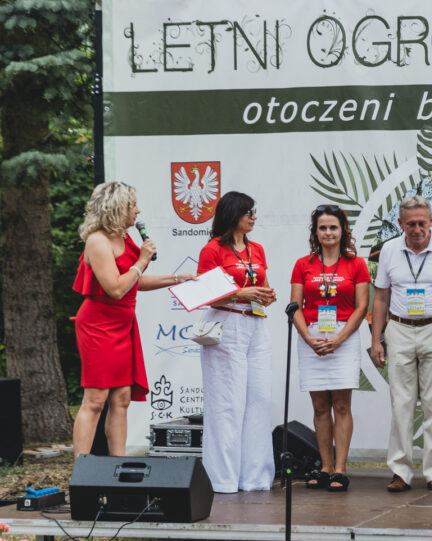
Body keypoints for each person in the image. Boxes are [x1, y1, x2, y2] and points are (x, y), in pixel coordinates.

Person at [71, 181, 195, 456]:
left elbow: (133, 282)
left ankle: (118, 467)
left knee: (122, 398)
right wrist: (142, 260)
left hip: (123, 324)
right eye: (132, 205)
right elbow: (115, 288)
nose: (138, 210)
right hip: (98, 325)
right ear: (117, 207)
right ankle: (80, 474)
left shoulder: (123, 237)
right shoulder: (97, 240)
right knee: (95, 399)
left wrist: (177, 278)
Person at [370, 195, 432, 493]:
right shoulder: (389, 249)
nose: (416, 228)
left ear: (431, 221)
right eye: (410, 223)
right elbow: (381, 298)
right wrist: (376, 339)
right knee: (401, 403)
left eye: (422, 223)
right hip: (398, 328)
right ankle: (400, 471)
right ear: (400, 224)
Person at [197, 191, 278, 493]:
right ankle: (223, 479)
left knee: (258, 399)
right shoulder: (213, 249)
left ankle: (255, 477)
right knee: (227, 403)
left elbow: (263, 287)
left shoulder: (256, 249)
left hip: (256, 324)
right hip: (226, 322)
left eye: (254, 212)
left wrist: (266, 295)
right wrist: (240, 294)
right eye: (249, 213)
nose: (254, 217)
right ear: (233, 215)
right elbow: (204, 292)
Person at [290, 205, 370, 492]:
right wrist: (308, 338)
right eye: (322, 227)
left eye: (333, 227)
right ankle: (324, 466)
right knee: (320, 406)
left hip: (343, 336)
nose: (328, 232)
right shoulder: (303, 264)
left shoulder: (356, 264)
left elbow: (362, 308)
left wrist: (339, 339)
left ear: (343, 230)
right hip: (311, 337)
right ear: (315, 232)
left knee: (341, 405)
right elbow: (295, 307)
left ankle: (340, 469)